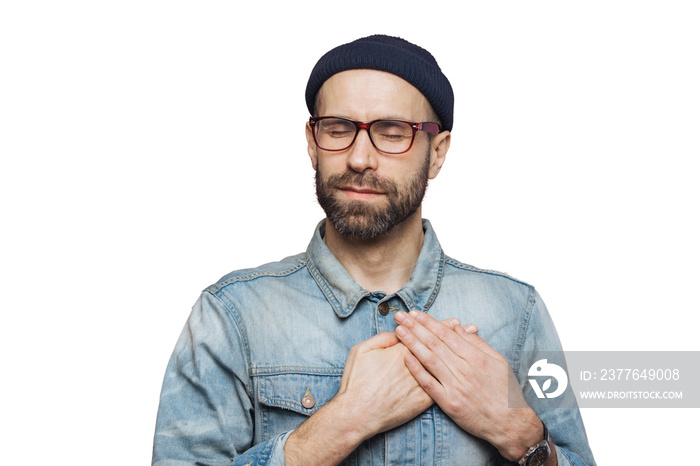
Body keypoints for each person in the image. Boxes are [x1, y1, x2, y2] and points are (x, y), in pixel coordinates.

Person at [152, 34, 595, 466]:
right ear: (311, 142)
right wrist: (342, 423)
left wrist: (522, 438)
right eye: (338, 129)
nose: (359, 157)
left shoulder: (517, 314)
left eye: (391, 131)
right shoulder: (231, 316)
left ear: (437, 153)